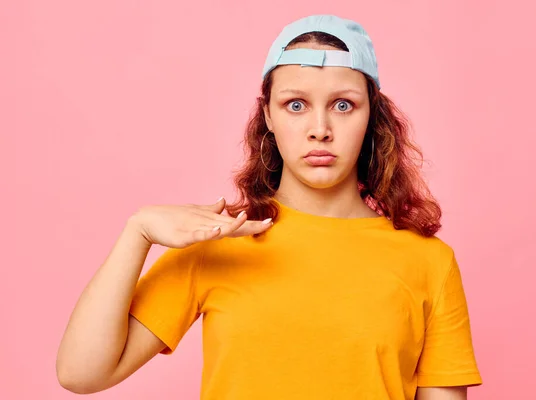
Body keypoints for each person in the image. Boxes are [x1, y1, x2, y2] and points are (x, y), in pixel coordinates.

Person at [56, 14, 482, 400]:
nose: (320, 129)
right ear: (269, 117)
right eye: (295, 105)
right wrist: (138, 231)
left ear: (372, 116)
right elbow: (81, 373)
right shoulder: (217, 244)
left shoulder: (429, 263)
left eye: (343, 105)